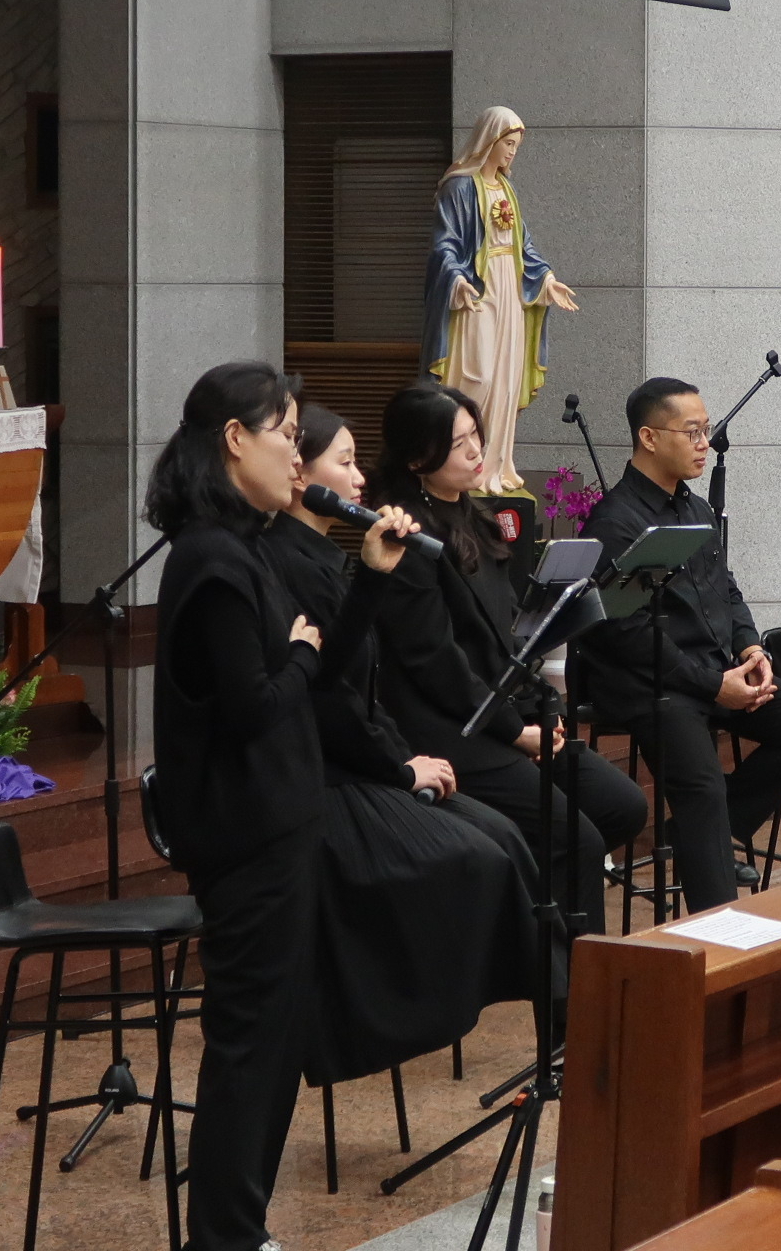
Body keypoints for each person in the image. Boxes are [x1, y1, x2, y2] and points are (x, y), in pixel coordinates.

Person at [258, 404, 546, 1086]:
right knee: (482, 855)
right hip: (332, 780)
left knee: (506, 838)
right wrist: (398, 766)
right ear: (301, 477)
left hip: (368, 757)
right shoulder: (283, 560)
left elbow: (362, 687)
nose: (360, 479)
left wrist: (399, 754)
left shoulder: (328, 555)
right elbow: (330, 699)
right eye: (344, 463)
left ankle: (553, 1010)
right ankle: (448, 1007)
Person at [145, 362, 329, 1251]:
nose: (296, 454)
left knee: (276, 1041)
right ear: (233, 439)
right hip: (244, 832)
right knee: (248, 1046)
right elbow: (252, 705)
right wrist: (302, 655)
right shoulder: (211, 558)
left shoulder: (243, 545)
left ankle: (241, 1228)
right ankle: (222, 1236)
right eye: (285, 434)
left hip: (278, 822)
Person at [367, 382, 648, 939]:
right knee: (578, 841)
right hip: (455, 730)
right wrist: (516, 732)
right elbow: (434, 662)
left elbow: (513, 634)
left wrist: (544, 710)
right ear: (418, 459)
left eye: (476, 434)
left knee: (623, 806)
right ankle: (566, 974)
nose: (476, 450)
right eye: (459, 443)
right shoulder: (407, 537)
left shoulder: (476, 516)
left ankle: (521, 919)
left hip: (508, 713)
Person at [581, 377, 781, 913]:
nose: (705, 443)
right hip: (651, 682)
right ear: (649, 437)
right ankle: (717, 928)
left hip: (713, 671)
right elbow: (626, 633)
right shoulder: (615, 521)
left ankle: (711, 831)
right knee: (701, 788)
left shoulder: (695, 508)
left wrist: (750, 649)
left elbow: (726, 588)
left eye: (706, 430)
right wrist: (712, 685)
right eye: (693, 432)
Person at [424, 106, 580, 495]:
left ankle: (493, 466)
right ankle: (458, 465)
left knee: (505, 382)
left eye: (516, 146)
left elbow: (523, 246)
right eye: (507, 144)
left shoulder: (507, 189)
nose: (512, 152)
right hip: (477, 292)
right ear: (489, 140)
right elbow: (444, 244)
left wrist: (547, 279)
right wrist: (456, 279)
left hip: (509, 291)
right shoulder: (460, 187)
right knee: (477, 377)